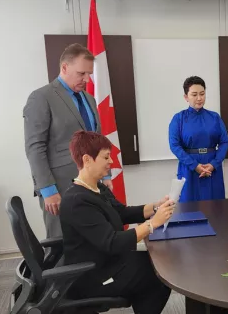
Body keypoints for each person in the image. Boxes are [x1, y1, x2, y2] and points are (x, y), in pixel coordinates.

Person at [60, 131, 173, 314]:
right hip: (91, 276)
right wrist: (153, 224)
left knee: (158, 264)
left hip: (108, 262)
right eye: (106, 157)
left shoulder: (97, 188)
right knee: (158, 276)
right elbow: (111, 242)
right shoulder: (77, 201)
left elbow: (122, 213)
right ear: (87, 160)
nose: (111, 162)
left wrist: (155, 207)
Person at [23, 43, 112, 238]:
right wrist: (48, 190)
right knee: (62, 244)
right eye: (81, 73)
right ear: (64, 67)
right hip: (60, 187)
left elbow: (98, 141)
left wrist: (106, 174)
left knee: (92, 240)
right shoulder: (41, 97)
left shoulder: (89, 99)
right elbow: (34, 147)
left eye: (89, 74)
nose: (87, 79)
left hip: (92, 183)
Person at [169, 76, 228, 202]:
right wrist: (194, 165)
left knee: (215, 207)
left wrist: (214, 164)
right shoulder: (179, 119)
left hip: (212, 166)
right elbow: (174, 145)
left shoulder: (214, 117)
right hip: (189, 167)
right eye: (194, 94)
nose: (199, 98)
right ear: (186, 97)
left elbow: (224, 141)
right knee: (189, 207)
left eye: (202, 94)